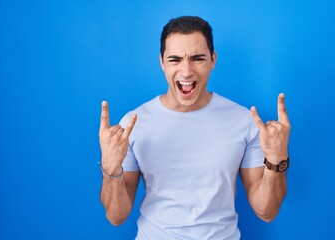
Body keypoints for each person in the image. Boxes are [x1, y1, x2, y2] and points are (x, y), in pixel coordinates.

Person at [99, 16, 290, 240]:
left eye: (198, 58)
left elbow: (266, 211)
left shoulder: (244, 121)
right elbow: (116, 216)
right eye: (175, 59)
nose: (187, 71)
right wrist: (110, 169)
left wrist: (276, 161)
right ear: (161, 62)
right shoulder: (133, 124)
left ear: (213, 60)